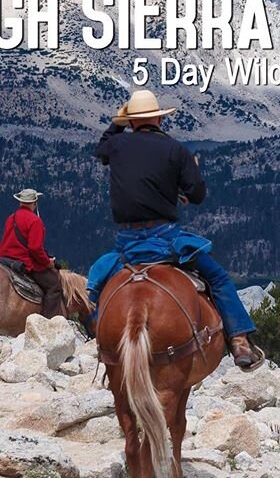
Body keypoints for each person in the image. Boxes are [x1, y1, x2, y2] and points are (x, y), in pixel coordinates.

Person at [89, 89, 264, 370]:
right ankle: (239, 341)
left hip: (127, 242)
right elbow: (196, 195)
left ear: (132, 121)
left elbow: (102, 146)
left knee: (97, 282)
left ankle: (95, 330)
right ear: (159, 119)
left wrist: (118, 121)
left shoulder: (117, 146)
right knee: (218, 279)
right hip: (164, 238)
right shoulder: (176, 150)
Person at [0, 189, 64, 318]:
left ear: (20, 202)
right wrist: (48, 263)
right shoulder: (35, 221)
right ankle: (47, 321)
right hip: (22, 262)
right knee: (53, 285)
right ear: (34, 203)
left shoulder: (11, 218)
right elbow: (35, 249)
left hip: (5, 259)